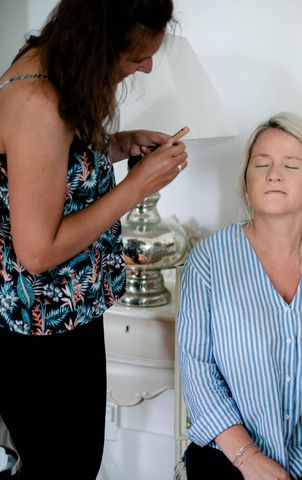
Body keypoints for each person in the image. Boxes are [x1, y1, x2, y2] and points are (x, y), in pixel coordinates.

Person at [0, 1, 187, 478]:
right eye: (133, 58)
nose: (145, 66)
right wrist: (136, 188)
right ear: (99, 44)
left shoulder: (57, 71)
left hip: (70, 314)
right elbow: (37, 252)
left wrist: (120, 144)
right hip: (40, 332)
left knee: (75, 462)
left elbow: (54, 169)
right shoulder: (37, 103)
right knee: (64, 467)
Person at [178, 112, 302, 480]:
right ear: (246, 181)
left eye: (290, 165)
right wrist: (248, 457)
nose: (274, 174)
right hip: (230, 455)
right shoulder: (208, 260)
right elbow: (198, 369)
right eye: (262, 164)